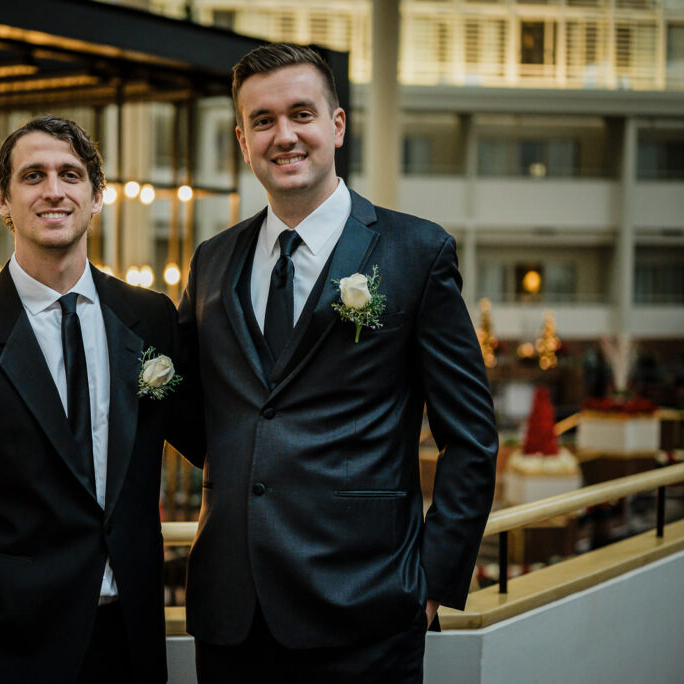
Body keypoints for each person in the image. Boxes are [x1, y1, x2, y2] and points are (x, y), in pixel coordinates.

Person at [177, 43, 498, 682]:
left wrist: (431, 580)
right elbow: (194, 411)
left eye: (302, 113)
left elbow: (471, 437)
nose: (284, 135)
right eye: (263, 121)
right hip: (233, 615)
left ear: (338, 125)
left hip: (368, 608)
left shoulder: (416, 251)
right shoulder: (212, 260)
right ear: (243, 141)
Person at [0, 115, 179, 683]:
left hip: (131, 644)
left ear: (97, 196)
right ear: (2, 198)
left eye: (70, 175)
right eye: (33, 175)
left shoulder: (150, 317)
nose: (54, 190)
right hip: (8, 648)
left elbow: (211, 433)